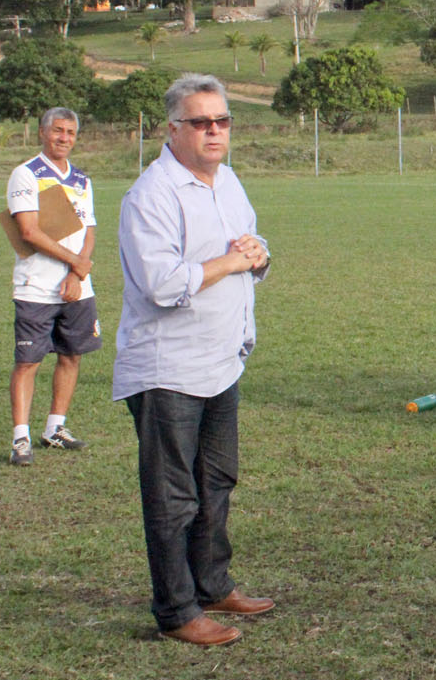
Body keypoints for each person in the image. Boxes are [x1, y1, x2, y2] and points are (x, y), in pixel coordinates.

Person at [113, 74, 273, 646]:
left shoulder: (226, 181)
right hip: (168, 368)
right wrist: (230, 264)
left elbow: (249, 243)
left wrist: (257, 256)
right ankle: (177, 611)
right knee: (172, 496)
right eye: (201, 122)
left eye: (222, 121)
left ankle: (212, 583)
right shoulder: (150, 196)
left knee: (217, 480)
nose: (214, 131)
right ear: (173, 129)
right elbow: (161, 284)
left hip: (221, 359)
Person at [5, 107, 98, 466]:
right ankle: (20, 438)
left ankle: (55, 428)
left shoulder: (82, 180)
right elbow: (29, 231)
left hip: (76, 288)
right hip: (36, 286)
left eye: (71, 132)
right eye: (58, 131)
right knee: (28, 361)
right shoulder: (26, 174)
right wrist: (74, 263)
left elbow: (89, 229)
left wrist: (77, 273)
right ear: (43, 133)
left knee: (71, 355)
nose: (64, 138)